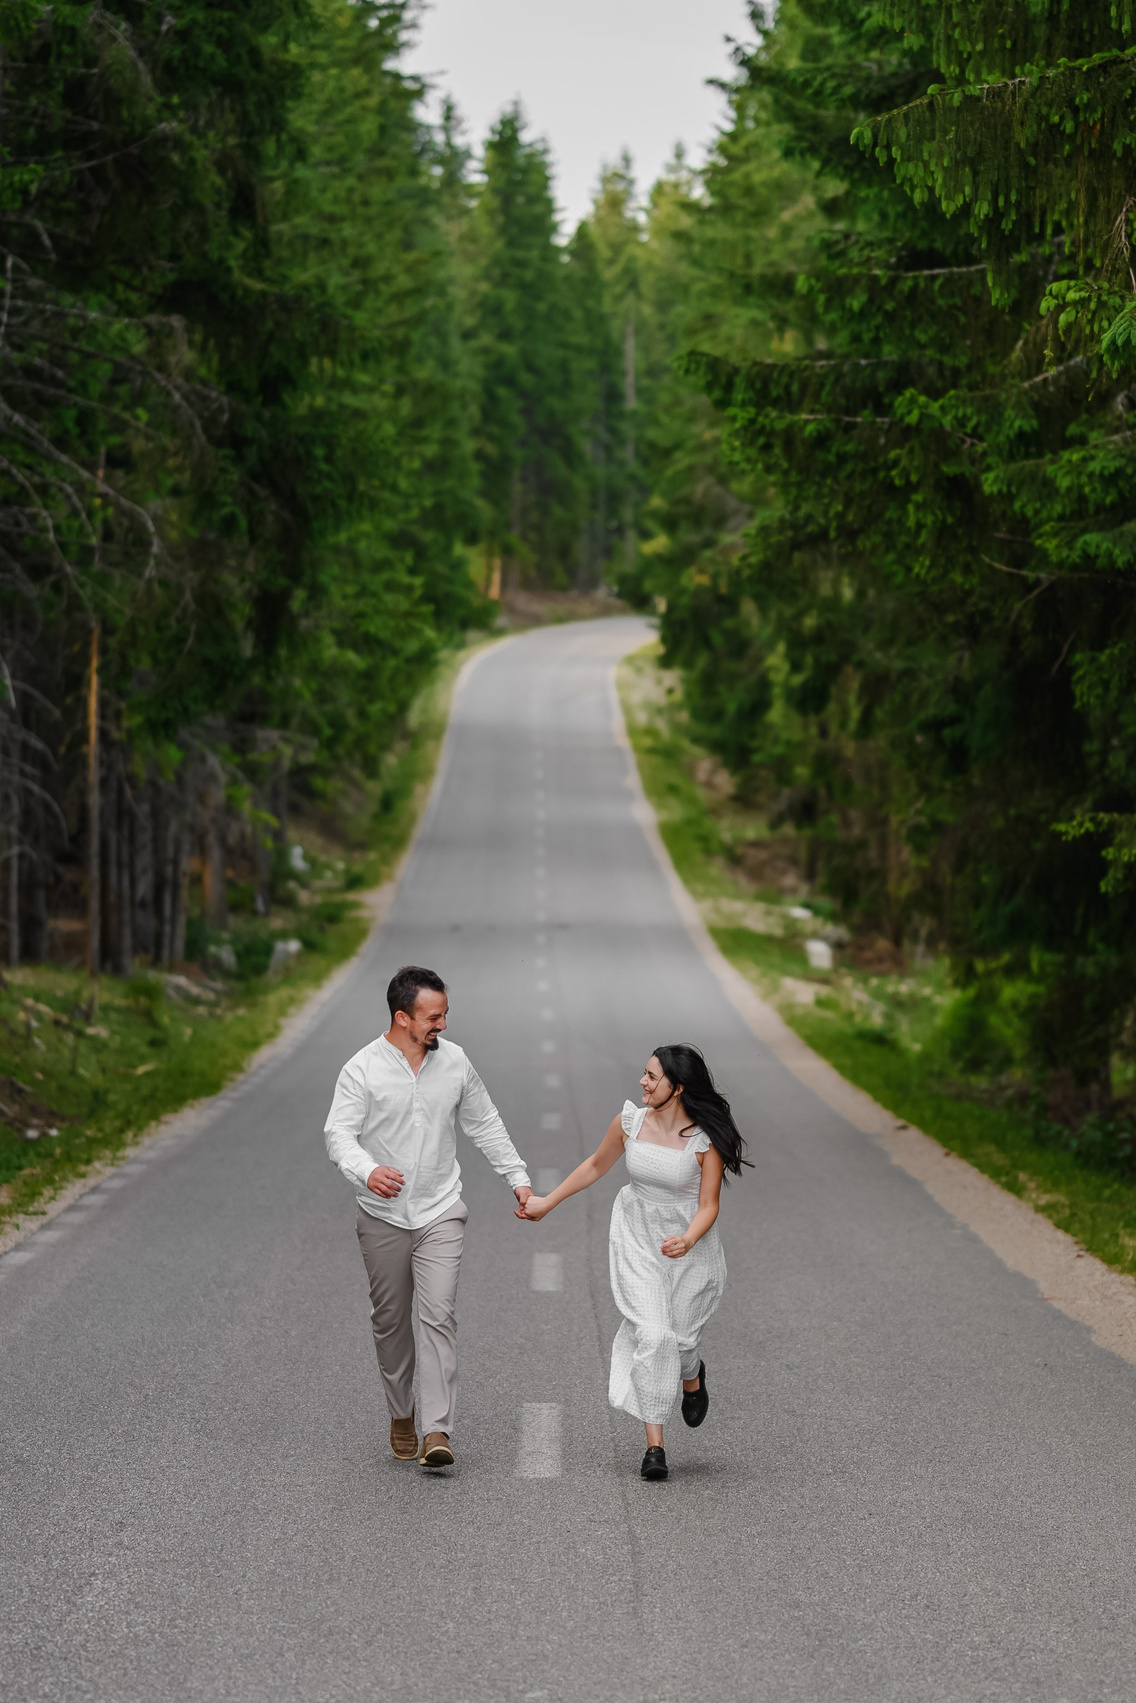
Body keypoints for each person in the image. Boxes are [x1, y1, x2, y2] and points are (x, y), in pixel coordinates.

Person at [324, 965, 532, 1469]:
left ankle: (437, 1430)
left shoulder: (455, 1061)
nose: (441, 1026)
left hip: (440, 1209)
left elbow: (485, 1122)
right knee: (391, 1322)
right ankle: (402, 1412)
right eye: (432, 1017)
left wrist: (518, 1178)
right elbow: (338, 1135)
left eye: (444, 1015)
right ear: (402, 1017)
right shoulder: (361, 1070)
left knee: (438, 1315)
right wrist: (367, 1170)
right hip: (383, 1216)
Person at [517, 1043, 749, 1481]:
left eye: (651, 1077)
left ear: (677, 1089)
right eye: (644, 1074)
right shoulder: (629, 1122)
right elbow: (595, 1165)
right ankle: (654, 1447)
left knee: (679, 1341)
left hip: (686, 1246)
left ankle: (693, 1373)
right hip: (637, 1239)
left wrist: (688, 1238)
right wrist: (548, 1202)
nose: (642, 1082)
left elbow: (708, 1205)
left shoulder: (703, 1141)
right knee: (654, 1334)